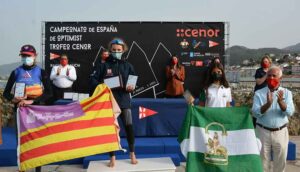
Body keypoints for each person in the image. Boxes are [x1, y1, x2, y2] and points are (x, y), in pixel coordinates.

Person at [3, 44, 52, 172]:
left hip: (36, 110)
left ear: (34, 56)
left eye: (28, 56)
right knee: (21, 141)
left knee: (37, 140)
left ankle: (38, 169)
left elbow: (49, 93)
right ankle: (22, 168)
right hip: (20, 110)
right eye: (23, 56)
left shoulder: (41, 72)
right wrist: (13, 99)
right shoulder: (16, 72)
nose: (25, 58)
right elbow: (6, 93)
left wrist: (32, 101)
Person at [90, 38, 137, 167]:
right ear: (110, 50)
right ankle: (112, 157)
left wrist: (132, 86)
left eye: (119, 50)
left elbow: (133, 81)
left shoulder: (128, 66)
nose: (116, 52)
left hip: (125, 102)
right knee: (110, 130)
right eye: (114, 50)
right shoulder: (103, 65)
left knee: (129, 128)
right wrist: (104, 85)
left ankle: (132, 154)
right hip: (109, 103)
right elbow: (93, 81)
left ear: (123, 50)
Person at [252, 66, 294, 172]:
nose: (271, 78)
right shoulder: (259, 93)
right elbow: (255, 113)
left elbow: (289, 112)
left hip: (280, 131)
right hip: (263, 131)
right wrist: (268, 104)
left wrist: (281, 103)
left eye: (274, 76)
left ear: (280, 78)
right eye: (269, 75)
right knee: (262, 162)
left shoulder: (287, 93)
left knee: (280, 162)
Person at [252, 55, 272, 127]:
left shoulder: (271, 71)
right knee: (257, 110)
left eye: (266, 61)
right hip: (259, 93)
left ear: (269, 63)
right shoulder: (259, 71)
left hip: (268, 94)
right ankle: (255, 126)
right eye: (263, 62)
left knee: (267, 109)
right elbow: (258, 82)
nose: (265, 63)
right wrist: (266, 75)